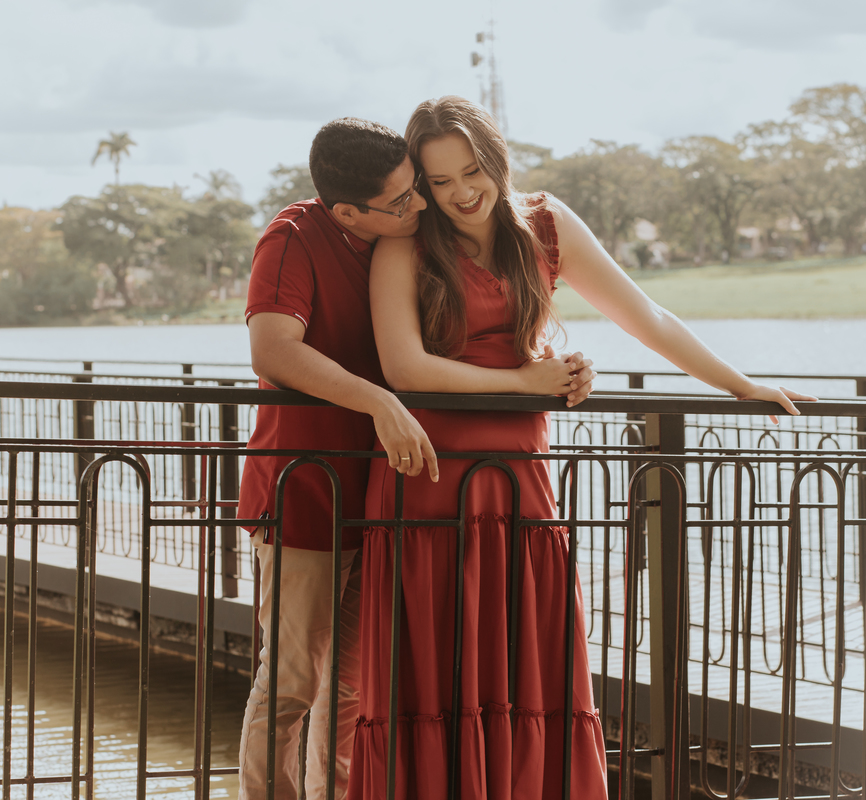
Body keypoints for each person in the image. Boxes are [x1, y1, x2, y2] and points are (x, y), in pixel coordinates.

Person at [347, 96, 815, 800]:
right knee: (434, 674)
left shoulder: (545, 225)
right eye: (439, 182)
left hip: (518, 483)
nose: (460, 194)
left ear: (497, 160)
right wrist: (523, 379)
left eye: (471, 171)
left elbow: (644, 315)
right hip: (430, 481)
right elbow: (404, 369)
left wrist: (738, 384)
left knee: (526, 663)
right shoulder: (405, 244)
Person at [237, 116, 595, 800]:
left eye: (416, 190)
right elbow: (273, 352)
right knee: (290, 680)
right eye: (403, 200)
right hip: (306, 492)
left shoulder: (403, 242)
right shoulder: (294, 236)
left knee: (354, 683)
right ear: (349, 211)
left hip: (384, 491)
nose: (421, 206)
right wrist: (380, 400)